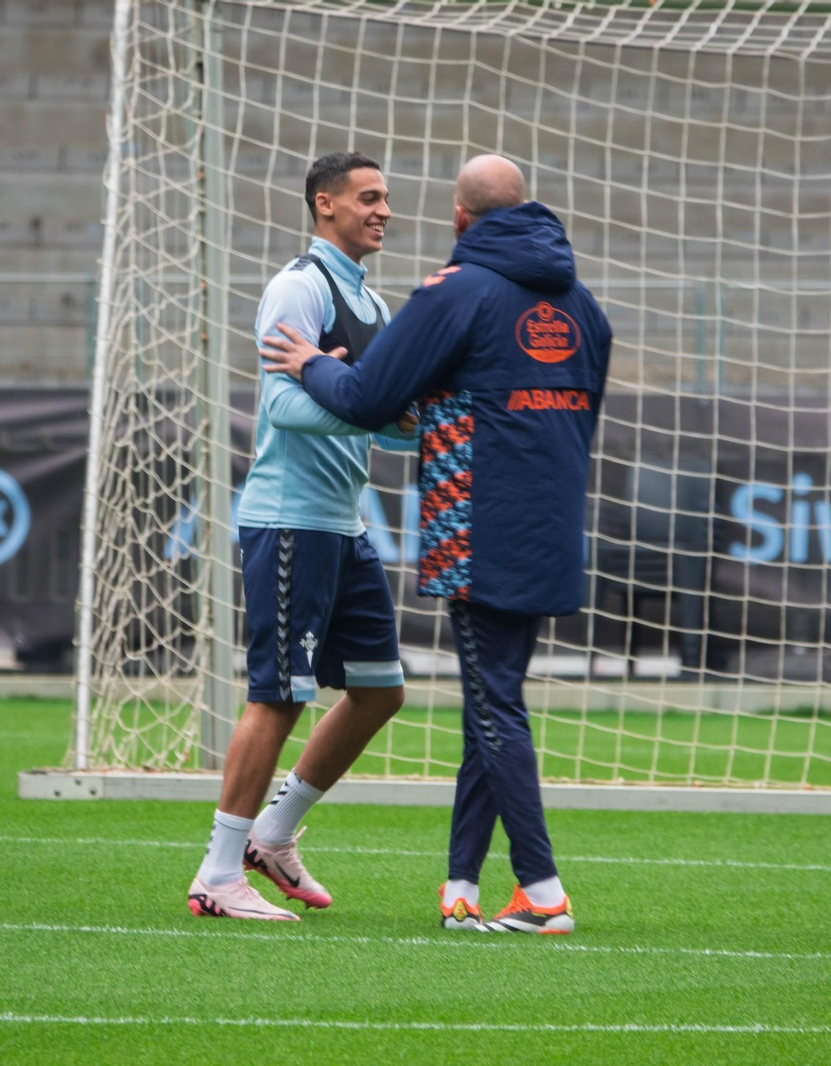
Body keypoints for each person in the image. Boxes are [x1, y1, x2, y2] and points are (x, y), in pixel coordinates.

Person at [259, 154, 612, 934]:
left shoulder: (455, 292)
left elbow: (367, 397)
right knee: (492, 698)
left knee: (494, 705)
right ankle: (461, 886)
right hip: (552, 524)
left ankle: (542, 891)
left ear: (460, 217)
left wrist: (310, 364)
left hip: (478, 526)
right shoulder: (583, 304)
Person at [188, 151, 419, 921]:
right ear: (325, 204)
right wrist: (358, 400)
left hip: (345, 525)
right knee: (279, 696)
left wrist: (406, 417)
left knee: (379, 691)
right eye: (369, 197)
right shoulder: (298, 286)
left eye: (386, 198)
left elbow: (389, 420)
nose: (384, 210)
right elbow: (283, 407)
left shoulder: (373, 304)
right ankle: (218, 874)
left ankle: (273, 833)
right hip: (290, 521)